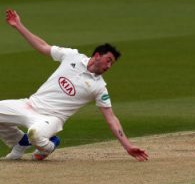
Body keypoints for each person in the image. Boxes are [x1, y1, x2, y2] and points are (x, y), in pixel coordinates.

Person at [0, 9, 148, 161]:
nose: (109, 66)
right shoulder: (72, 56)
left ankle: (49, 146)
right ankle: (20, 142)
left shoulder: (99, 88)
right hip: (29, 104)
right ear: (97, 55)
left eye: (112, 63)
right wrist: (18, 25)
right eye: (108, 60)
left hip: (52, 118)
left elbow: (111, 118)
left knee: (35, 134)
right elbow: (43, 47)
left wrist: (128, 146)